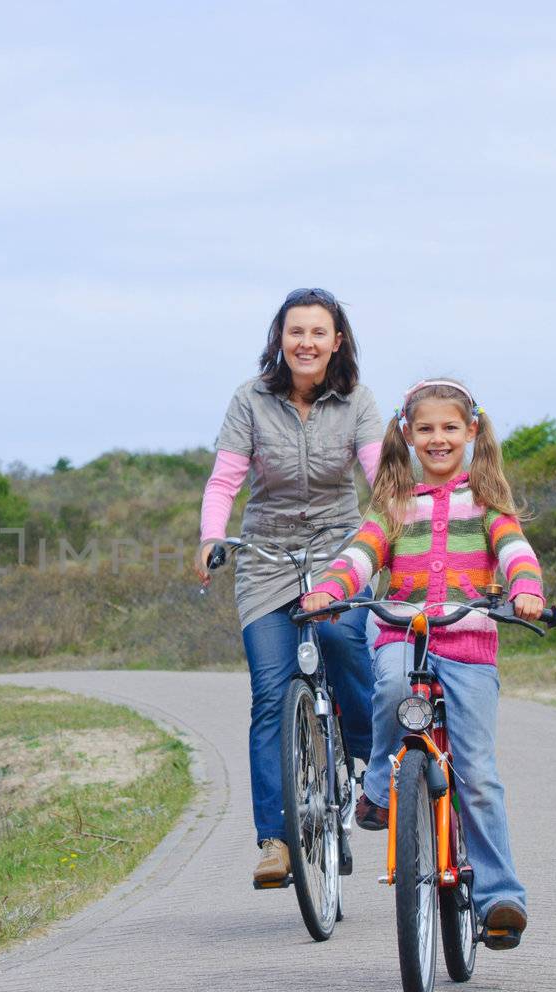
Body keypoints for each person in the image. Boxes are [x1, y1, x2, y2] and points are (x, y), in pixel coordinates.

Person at [300, 378, 544, 950]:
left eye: (450, 428)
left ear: (472, 432)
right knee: (386, 688)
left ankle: (499, 898)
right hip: (401, 631)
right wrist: (330, 590)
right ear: (407, 434)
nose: (438, 439)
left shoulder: (488, 505)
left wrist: (525, 588)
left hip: (467, 644)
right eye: (426, 429)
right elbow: (360, 555)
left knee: (477, 774)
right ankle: (383, 787)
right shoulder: (393, 504)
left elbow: (516, 552)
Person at [196, 287, 385, 889]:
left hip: (338, 545)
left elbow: (383, 474)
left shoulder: (357, 399)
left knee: (345, 644)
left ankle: (366, 767)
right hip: (267, 552)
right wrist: (210, 536)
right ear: (280, 338)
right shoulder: (249, 399)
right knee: (271, 691)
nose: (306, 342)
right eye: (294, 331)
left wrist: (393, 536)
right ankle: (276, 839)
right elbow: (226, 478)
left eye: (318, 332)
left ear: (337, 341)